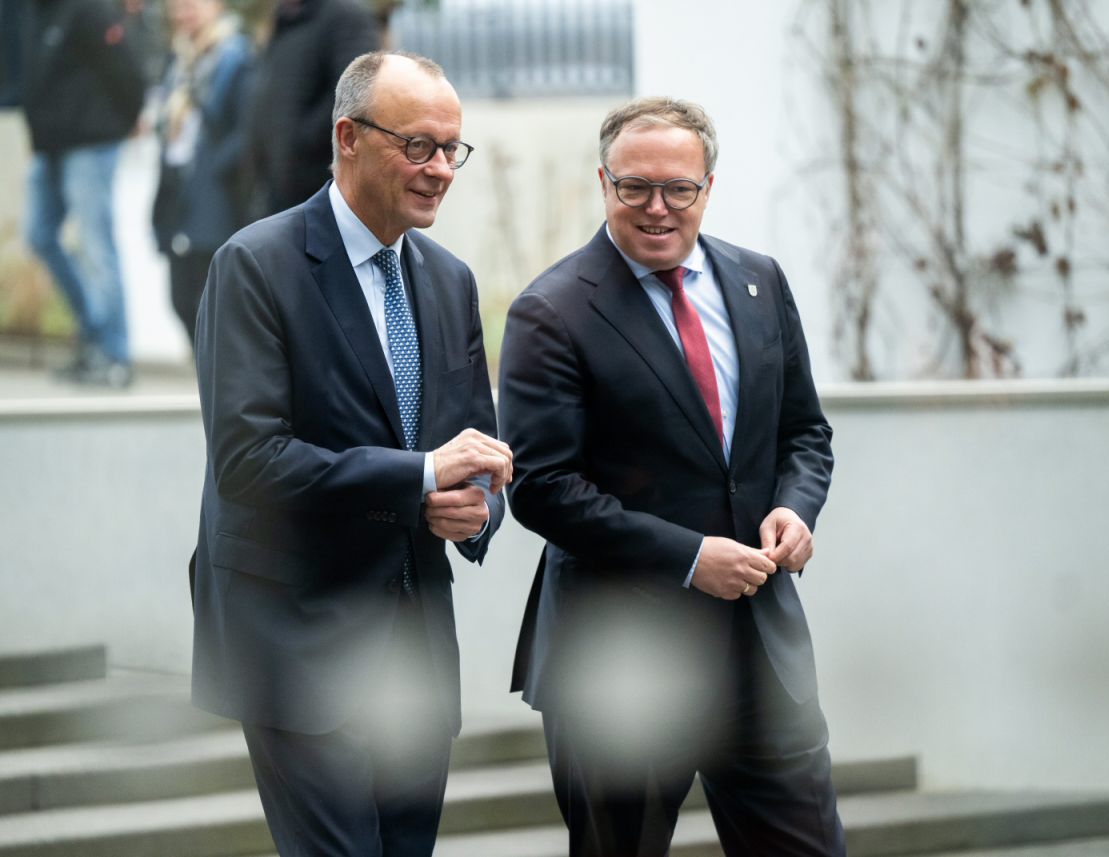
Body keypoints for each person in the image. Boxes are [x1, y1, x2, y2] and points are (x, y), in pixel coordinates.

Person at [499, 97, 845, 857]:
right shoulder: (550, 312)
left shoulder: (759, 281)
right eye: (635, 186)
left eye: (678, 188)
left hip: (763, 654)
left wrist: (795, 508)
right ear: (603, 182)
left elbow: (804, 432)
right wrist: (691, 557)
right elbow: (542, 487)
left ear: (707, 188)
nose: (658, 207)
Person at [191, 51, 511, 857]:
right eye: (419, 146)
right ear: (348, 137)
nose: (440, 169)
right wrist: (418, 476)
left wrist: (475, 509)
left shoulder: (450, 280)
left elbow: (472, 449)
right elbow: (250, 462)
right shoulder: (256, 265)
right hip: (298, 646)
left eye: (452, 149)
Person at [20, 0, 148, 387]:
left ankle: (114, 354)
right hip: (50, 145)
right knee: (39, 235)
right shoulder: (38, 14)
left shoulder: (90, 9)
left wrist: (122, 122)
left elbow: (128, 71)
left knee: (97, 245)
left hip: (91, 143)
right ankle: (93, 333)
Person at [152, 0, 253, 347]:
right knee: (180, 295)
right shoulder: (178, 58)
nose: (184, 12)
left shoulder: (235, 56)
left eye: (192, 4)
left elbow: (248, 129)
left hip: (214, 194)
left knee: (212, 297)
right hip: (178, 189)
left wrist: (216, 168)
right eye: (177, 6)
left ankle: (219, 385)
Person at [245, 0, 379, 218]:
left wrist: (300, 143)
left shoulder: (345, 16)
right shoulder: (284, 20)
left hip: (322, 192)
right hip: (279, 189)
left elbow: (356, 95)